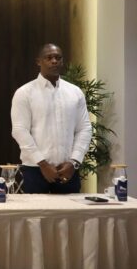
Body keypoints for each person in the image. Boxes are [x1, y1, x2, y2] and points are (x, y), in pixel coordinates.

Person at [11, 44, 92, 194]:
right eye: (48, 58)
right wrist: (43, 164)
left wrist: (74, 162)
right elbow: (20, 131)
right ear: (38, 61)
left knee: (70, 210)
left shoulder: (75, 92)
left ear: (62, 61)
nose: (54, 61)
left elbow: (84, 129)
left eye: (58, 58)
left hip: (68, 170)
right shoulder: (25, 93)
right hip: (35, 170)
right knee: (35, 210)